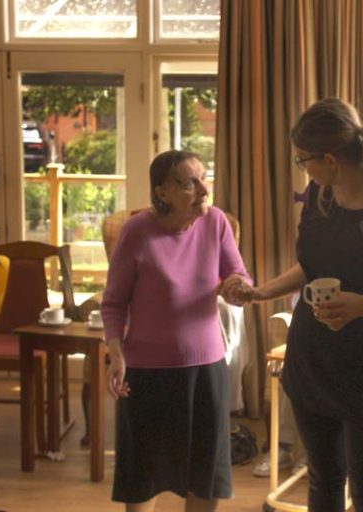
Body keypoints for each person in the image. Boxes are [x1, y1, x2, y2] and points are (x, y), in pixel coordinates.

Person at [239, 97, 363, 512]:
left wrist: (359, 305)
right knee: (324, 481)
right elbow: (312, 266)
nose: (304, 170)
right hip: (314, 360)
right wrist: (264, 291)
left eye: (304, 161)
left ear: (330, 159)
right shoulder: (321, 196)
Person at [101, 149, 251, 512]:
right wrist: (116, 353)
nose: (203, 189)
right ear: (162, 192)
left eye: (204, 178)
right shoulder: (137, 231)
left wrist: (236, 286)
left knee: (205, 473)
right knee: (144, 474)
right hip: (148, 372)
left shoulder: (215, 222)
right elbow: (114, 302)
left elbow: (239, 275)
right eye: (188, 183)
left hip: (206, 369)